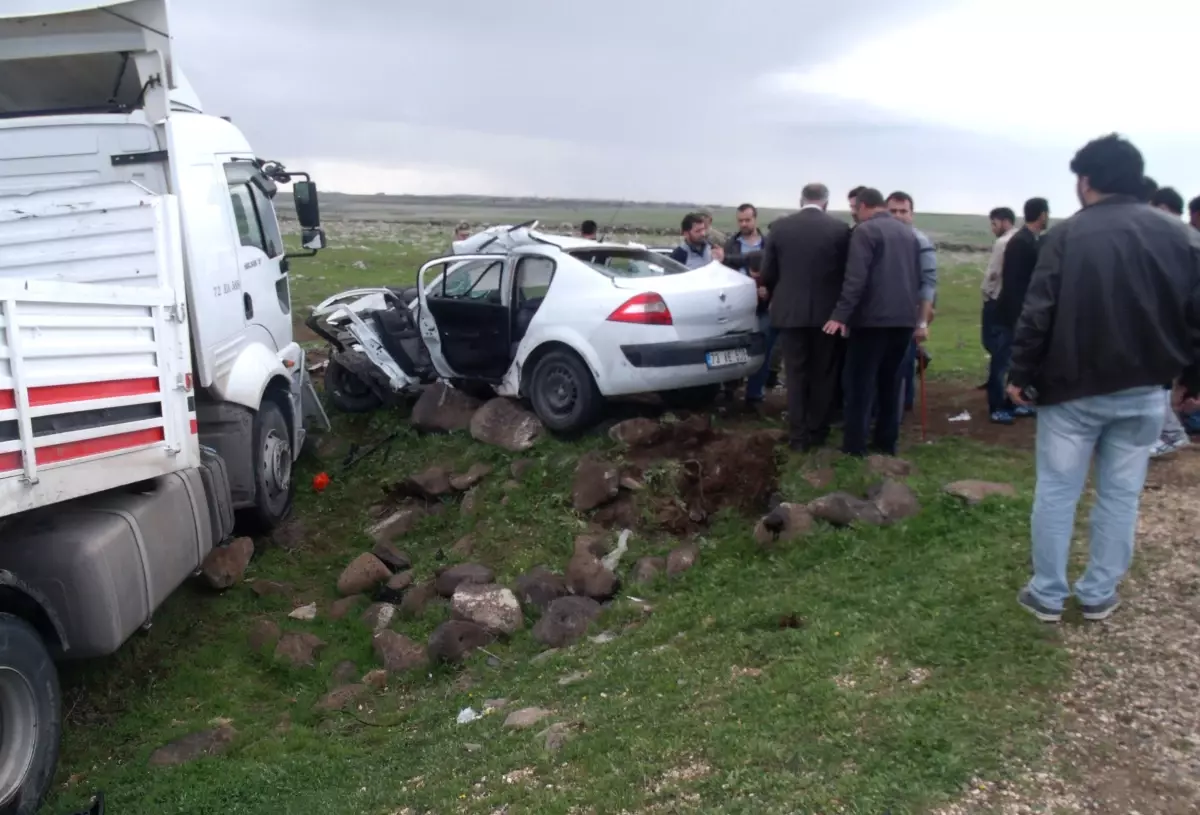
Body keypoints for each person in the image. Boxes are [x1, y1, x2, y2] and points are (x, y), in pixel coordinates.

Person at [1007, 133, 1200, 624]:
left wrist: (1021, 373)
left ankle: (1047, 594)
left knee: (1057, 491)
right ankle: (1098, 593)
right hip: (1145, 391)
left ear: (1086, 181)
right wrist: (1191, 381)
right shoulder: (1182, 236)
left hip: (1071, 390)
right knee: (1120, 493)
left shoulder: (1067, 235)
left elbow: (1038, 311)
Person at [822, 187, 921, 457]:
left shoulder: (865, 232)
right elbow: (917, 278)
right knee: (890, 382)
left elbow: (856, 279)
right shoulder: (907, 233)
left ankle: (854, 446)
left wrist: (840, 315)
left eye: (855, 208)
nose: (854, 213)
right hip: (903, 320)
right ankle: (887, 444)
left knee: (859, 384)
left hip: (871, 321)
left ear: (865, 206)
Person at [760, 183, 852, 448]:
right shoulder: (839, 229)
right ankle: (818, 430)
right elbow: (847, 273)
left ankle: (798, 436)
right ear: (826, 202)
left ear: (801, 201)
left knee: (796, 374)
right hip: (828, 315)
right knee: (823, 373)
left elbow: (768, 273)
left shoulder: (780, 228)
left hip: (790, 313)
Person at [993, 197, 1051, 423]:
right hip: (1012, 313)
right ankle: (997, 407)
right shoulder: (1022, 242)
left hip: (1020, 312)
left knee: (1013, 361)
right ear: (1042, 215)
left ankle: (1012, 404)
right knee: (1002, 361)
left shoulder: (1030, 240)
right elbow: (1015, 284)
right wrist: (1020, 316)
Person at [1146, 186, 1192, 457]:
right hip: (1173, 327)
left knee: (1160, 383)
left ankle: (1172, 434)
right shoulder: (1183, 237)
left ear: (1162, 208)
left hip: (1174, 327)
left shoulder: (1176, 239)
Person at [884, 192, 938, 413]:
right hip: (881, 312)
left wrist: (923, 322)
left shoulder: (920, 242)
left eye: (903, 211)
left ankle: (902, 406)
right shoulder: (878, 237)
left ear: (912, 214)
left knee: (903, 362)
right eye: (893, 211)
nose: (898, 216)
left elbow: (928, 282)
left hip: (908, 312)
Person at [980, 207, 1018, 393]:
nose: (993, 228)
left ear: (1004, 222)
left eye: (994, 224)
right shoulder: (1020, 238)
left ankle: (996, 382)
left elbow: (993, 273)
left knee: (992, 341)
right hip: (1012, 299)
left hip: (996, 298)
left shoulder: (1003, 242)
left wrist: (986, 292)